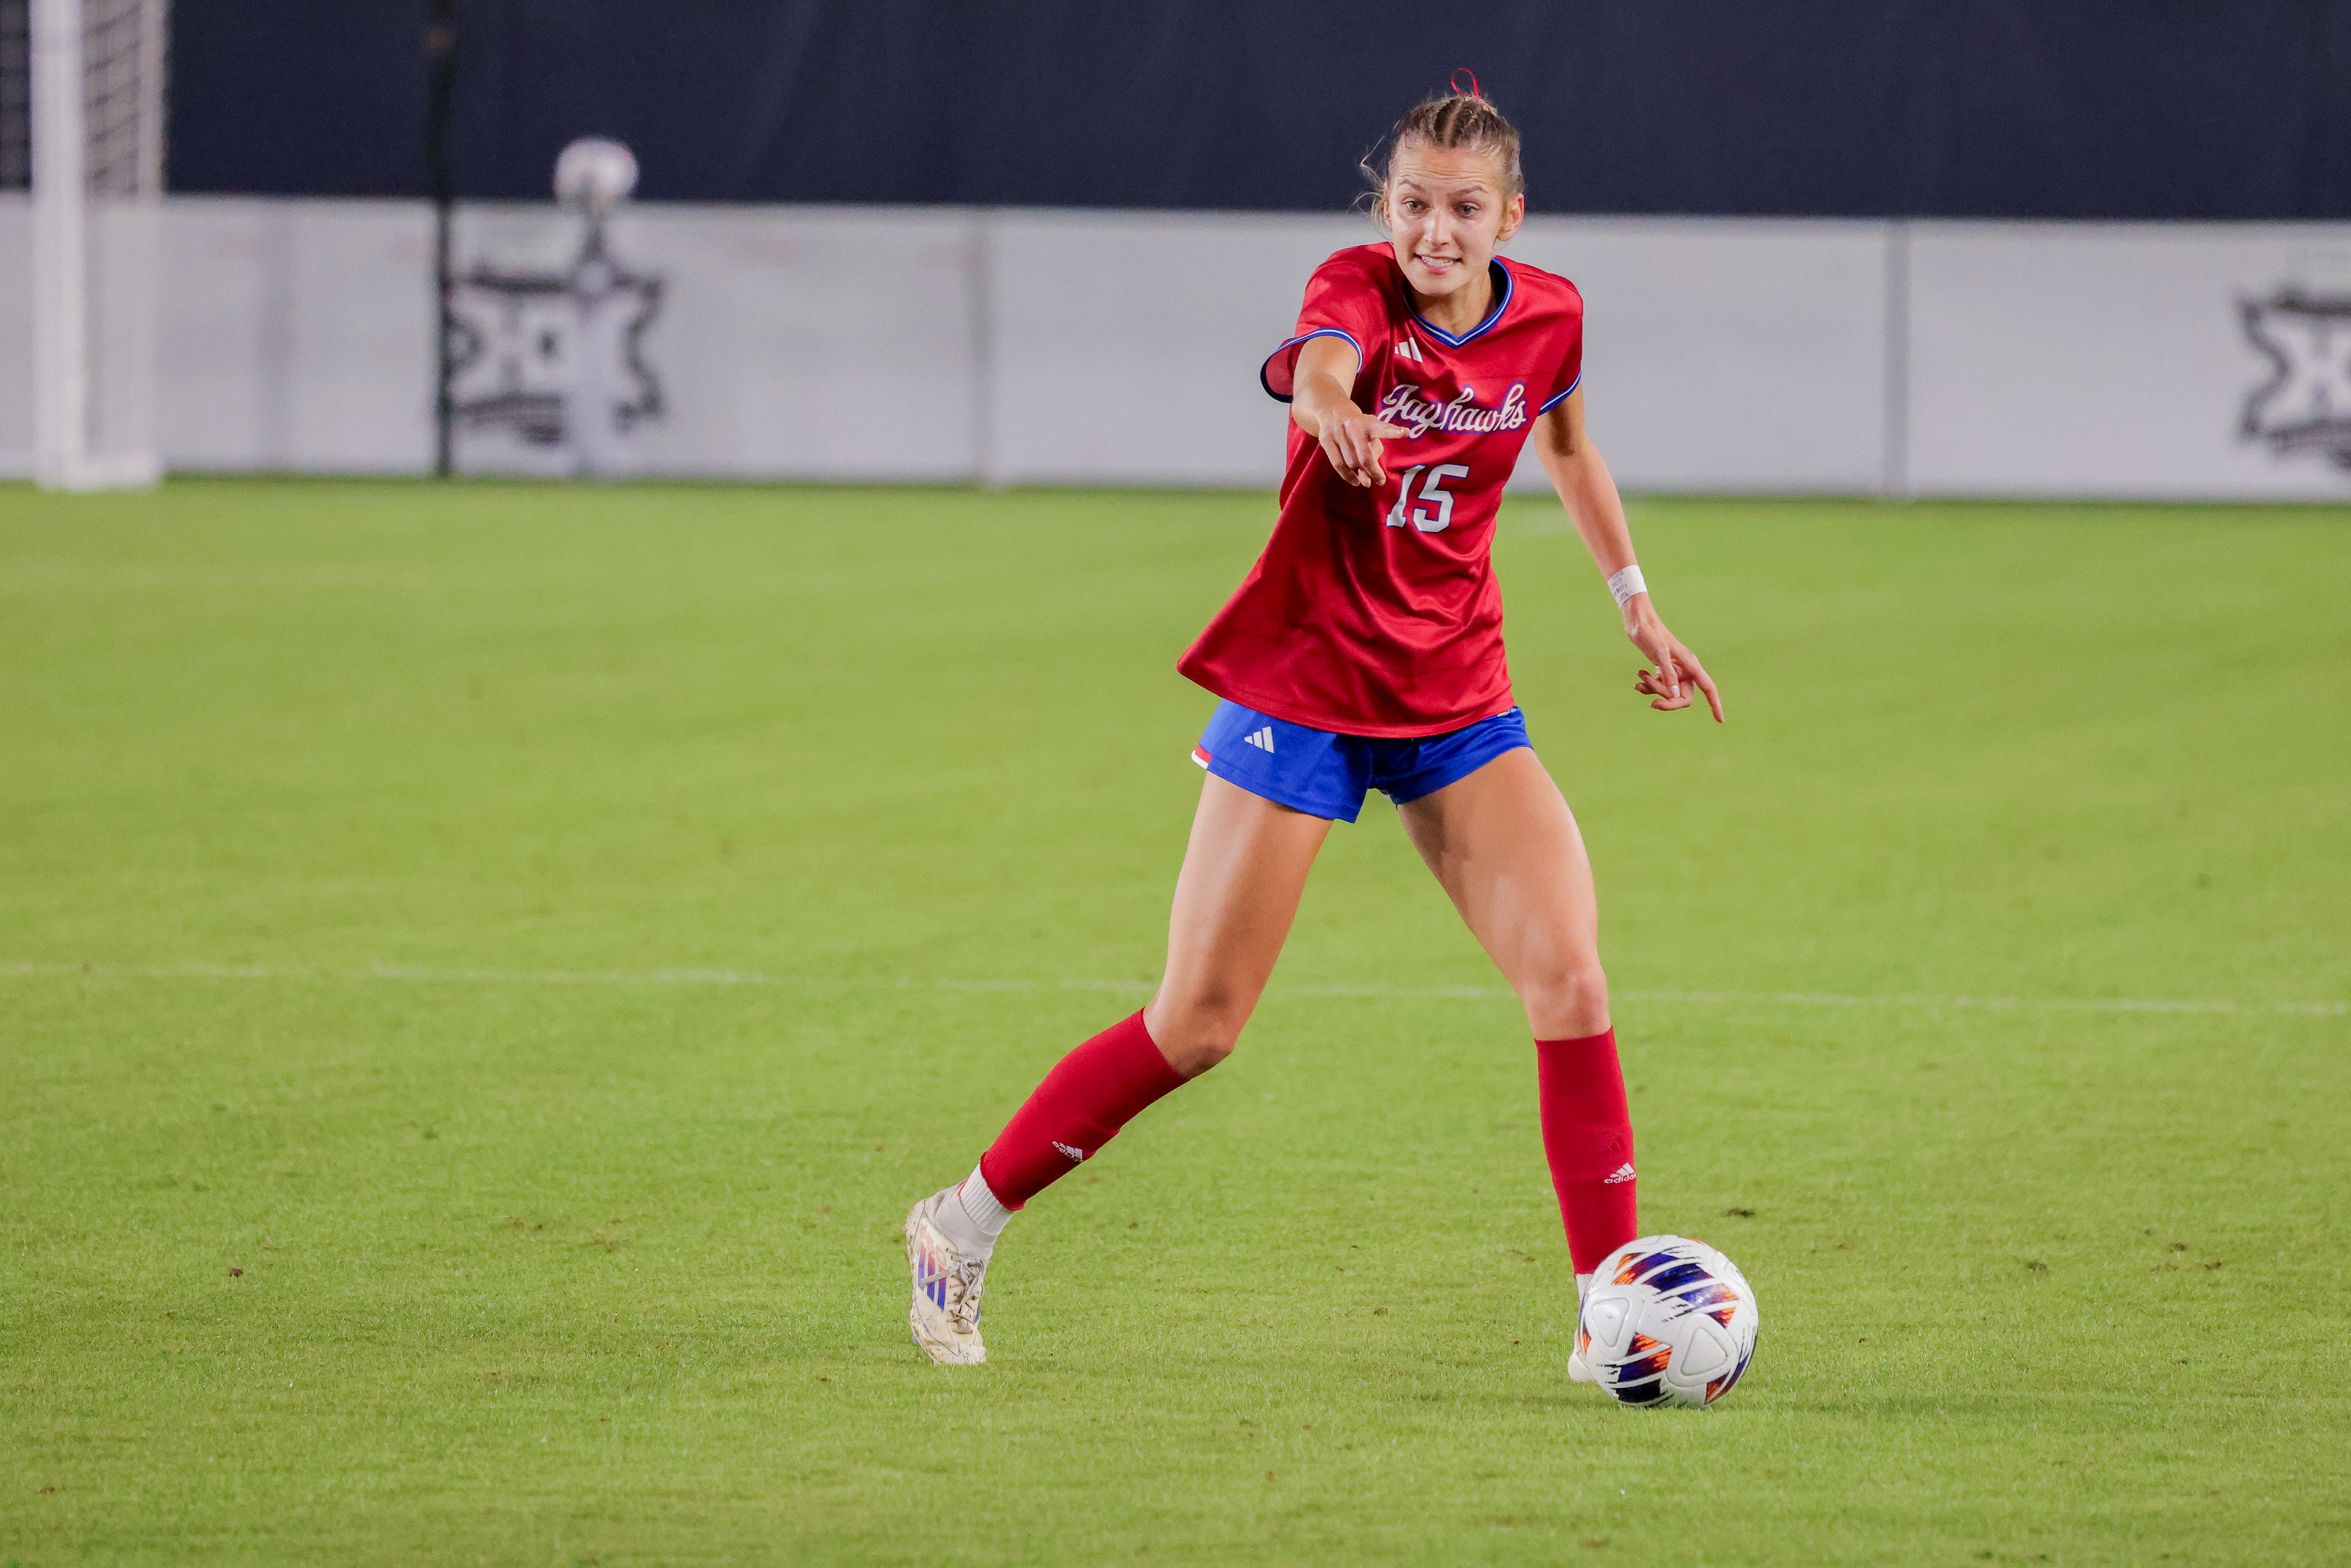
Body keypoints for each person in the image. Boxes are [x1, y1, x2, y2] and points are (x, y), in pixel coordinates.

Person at [904, 81, 1720, 1370]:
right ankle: (960, 1225)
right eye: (1410, 203)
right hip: (1307, 695)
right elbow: (1324, 365)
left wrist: (1637, 605)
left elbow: (1567, 444)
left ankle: (1603, 1309)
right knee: (1200, 1024)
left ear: (1512, 214)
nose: (1432, 231)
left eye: (1462, 208)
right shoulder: (1354, 289)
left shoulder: (1552, 315)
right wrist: (1330, 405)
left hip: (1457, 698)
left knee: (1570, 977)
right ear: (1381, 206)